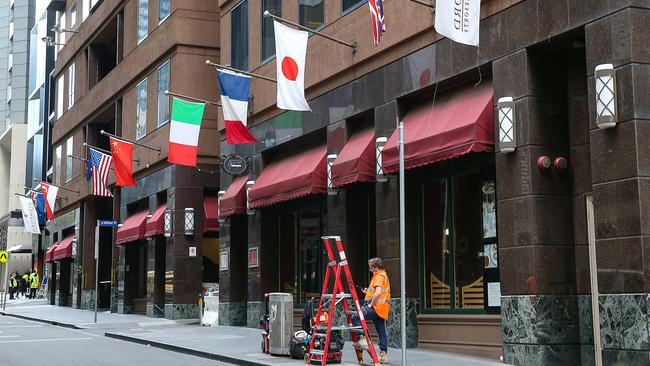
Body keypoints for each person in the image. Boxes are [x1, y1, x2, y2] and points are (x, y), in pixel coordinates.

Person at [352, 257, 390, 364]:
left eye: (371, 267)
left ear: (376, 267)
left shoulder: (378, 277)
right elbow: (377, 292)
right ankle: (383, 355)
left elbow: (378, 293)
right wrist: (367, 292)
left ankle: (363, 338)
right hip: (382, 309)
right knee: (381, 331)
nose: (369, 269)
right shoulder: (383, 276)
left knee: (356, 316)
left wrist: (370, 305)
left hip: (375, 307)